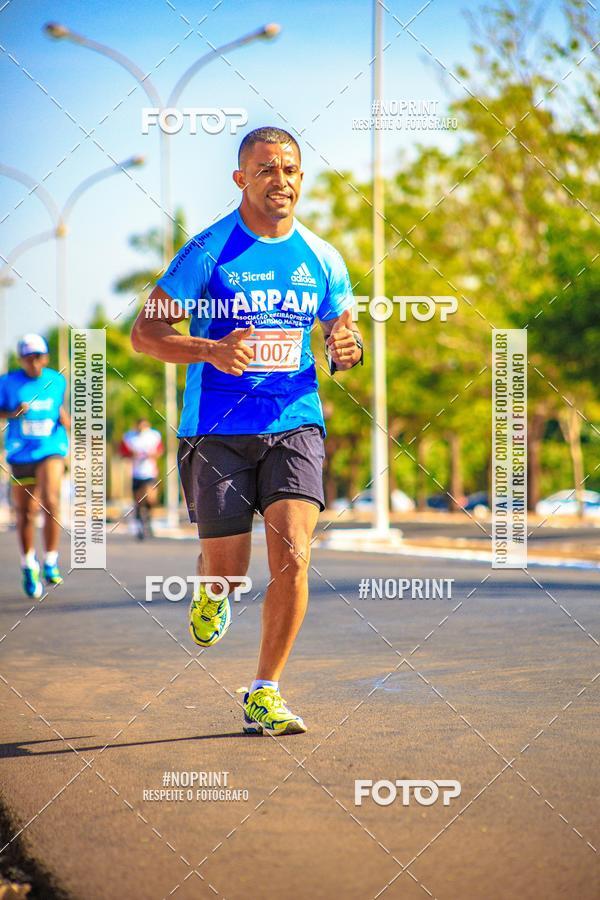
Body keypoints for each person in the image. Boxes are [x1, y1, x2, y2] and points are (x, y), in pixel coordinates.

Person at [131, 126, 363, 735]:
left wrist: (346, 345)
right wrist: (210, 348)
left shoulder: (323, 256)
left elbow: (345, 337)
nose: (280, 181)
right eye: (266, 170)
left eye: (289, 169)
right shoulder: (207, 252)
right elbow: (145, 334)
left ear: (301, 178)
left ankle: (265, 690)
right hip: (216, 430)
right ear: (242, 179)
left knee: (292, 551)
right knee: (231, 572)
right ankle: (212, 588)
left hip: (294, 422)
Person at [0, 334, 69, 598]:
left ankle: (51, 560)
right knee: (25, 512)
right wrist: (11, 413)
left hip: (50, 447)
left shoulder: (57, 380)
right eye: (28, 358)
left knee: (51, 499)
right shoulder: (7, 383)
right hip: (20, 452)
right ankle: (28, 564)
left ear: (46, 357)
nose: (34, 362)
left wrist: (66, 420)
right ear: (21, 360)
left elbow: (58, 408)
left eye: (38, 356)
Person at [119, 418, 163, 539]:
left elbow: (160, 451)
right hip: (136, 473)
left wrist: (152, 455)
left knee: (150, 499)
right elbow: (123, 452)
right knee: (138, 501)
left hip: (150, 473)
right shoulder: (129, 437)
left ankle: (148, 521)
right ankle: (139, 525)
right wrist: (132, 455)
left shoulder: (154, 436)